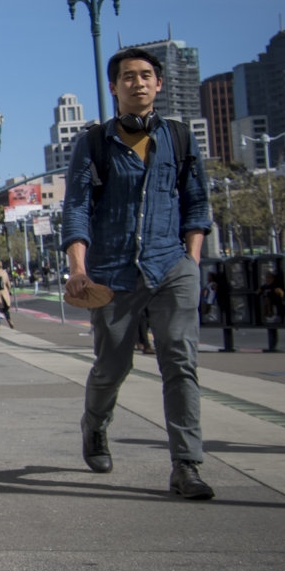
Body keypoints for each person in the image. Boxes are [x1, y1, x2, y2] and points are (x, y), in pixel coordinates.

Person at [62, 46, 215, 499]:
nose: (138, 82)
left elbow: (197, 203)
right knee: (112, 367)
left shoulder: (181, 138)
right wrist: (78, 268)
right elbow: (76, 208)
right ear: (114, 87)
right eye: (128, 76)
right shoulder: (94, 143)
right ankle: (95, 426)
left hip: (172, 267)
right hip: (112, 273)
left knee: (180, 363)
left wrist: (192, 259)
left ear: (159, 84)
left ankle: (186, 465)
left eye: (146, 75)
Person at [0, 263, 14, 329]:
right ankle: (9, 320)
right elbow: (8, 283)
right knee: (5, 308)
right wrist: (9, 290)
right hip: (5, 291)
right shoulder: (4, 272)